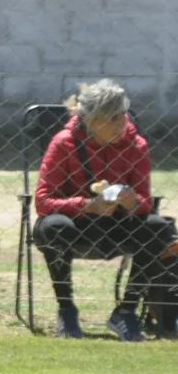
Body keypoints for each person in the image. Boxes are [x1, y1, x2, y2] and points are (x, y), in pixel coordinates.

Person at [33, 79, 178, 341]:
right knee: (54, 226)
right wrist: (85, 205)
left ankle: (126, 311)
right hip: (76, 226)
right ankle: (67, 310)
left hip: (118, 225)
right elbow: (43, 201)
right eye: (111, 118)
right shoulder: (64, 143)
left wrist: (130, 202)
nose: (121, 123)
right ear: (90, 120)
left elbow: (145, 203)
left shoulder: (137, 145)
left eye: (122, 115)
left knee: (159, 228)